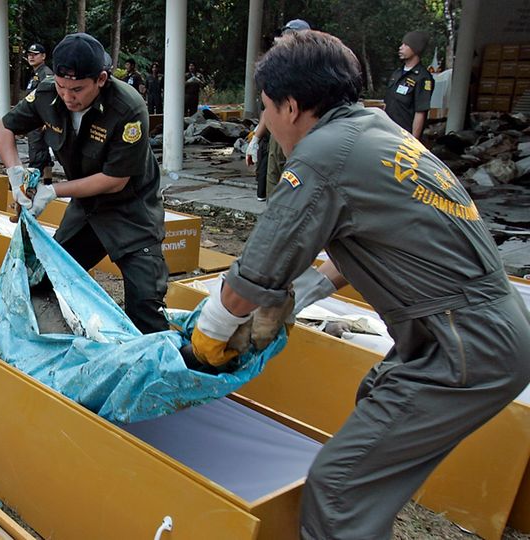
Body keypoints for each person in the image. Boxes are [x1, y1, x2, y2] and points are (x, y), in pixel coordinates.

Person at [189, 30, 530, 538]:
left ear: (291, 105)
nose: (264, 122)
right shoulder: (380, 132)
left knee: (339, 487)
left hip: (462, 344)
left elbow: (253, 276)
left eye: (264, 108)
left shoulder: (322, 156)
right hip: (480, 333)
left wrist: (205, 341)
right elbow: (380, 241)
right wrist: (305, 294)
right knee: (376, 400)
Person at [0, 33, 169, 334]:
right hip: (86, 208)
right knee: (47, 276)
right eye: (62, 87)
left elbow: (115, 181)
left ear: (100, 79)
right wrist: (15, 174)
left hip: (131, 211)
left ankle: (160, 370)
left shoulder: (127, 108)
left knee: (145, 306)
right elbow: (3, 128)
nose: (68, 97)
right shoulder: (49, 94)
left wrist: (52, 191)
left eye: (77, 89)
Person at [246, 18, 311, 202]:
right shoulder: (279, 67)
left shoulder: (310, 69)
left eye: (288, 35)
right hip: (278, 132)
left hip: (300, 133)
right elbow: (269, 107)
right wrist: (256, 138)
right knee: (274, 178)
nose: (282, 39)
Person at [384, 30, 434, 140]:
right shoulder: (397, 73)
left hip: (404, 137)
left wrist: (413, 142)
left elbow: (420, 112)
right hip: (388, 132)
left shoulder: (422, 78)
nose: (400, 47)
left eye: (406, 45)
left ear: (416, 49)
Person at [24, 43, 55, 179]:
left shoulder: (46, 73)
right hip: (34, 120)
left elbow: (50, 98)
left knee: (36, 155)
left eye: (35, 54)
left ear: (43, 56)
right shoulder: (36, 74)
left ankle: (29, 189)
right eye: (29, 54)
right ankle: (47, 183)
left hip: (39, 121)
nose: (31, 57)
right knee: (44, 156)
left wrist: (46, 120)